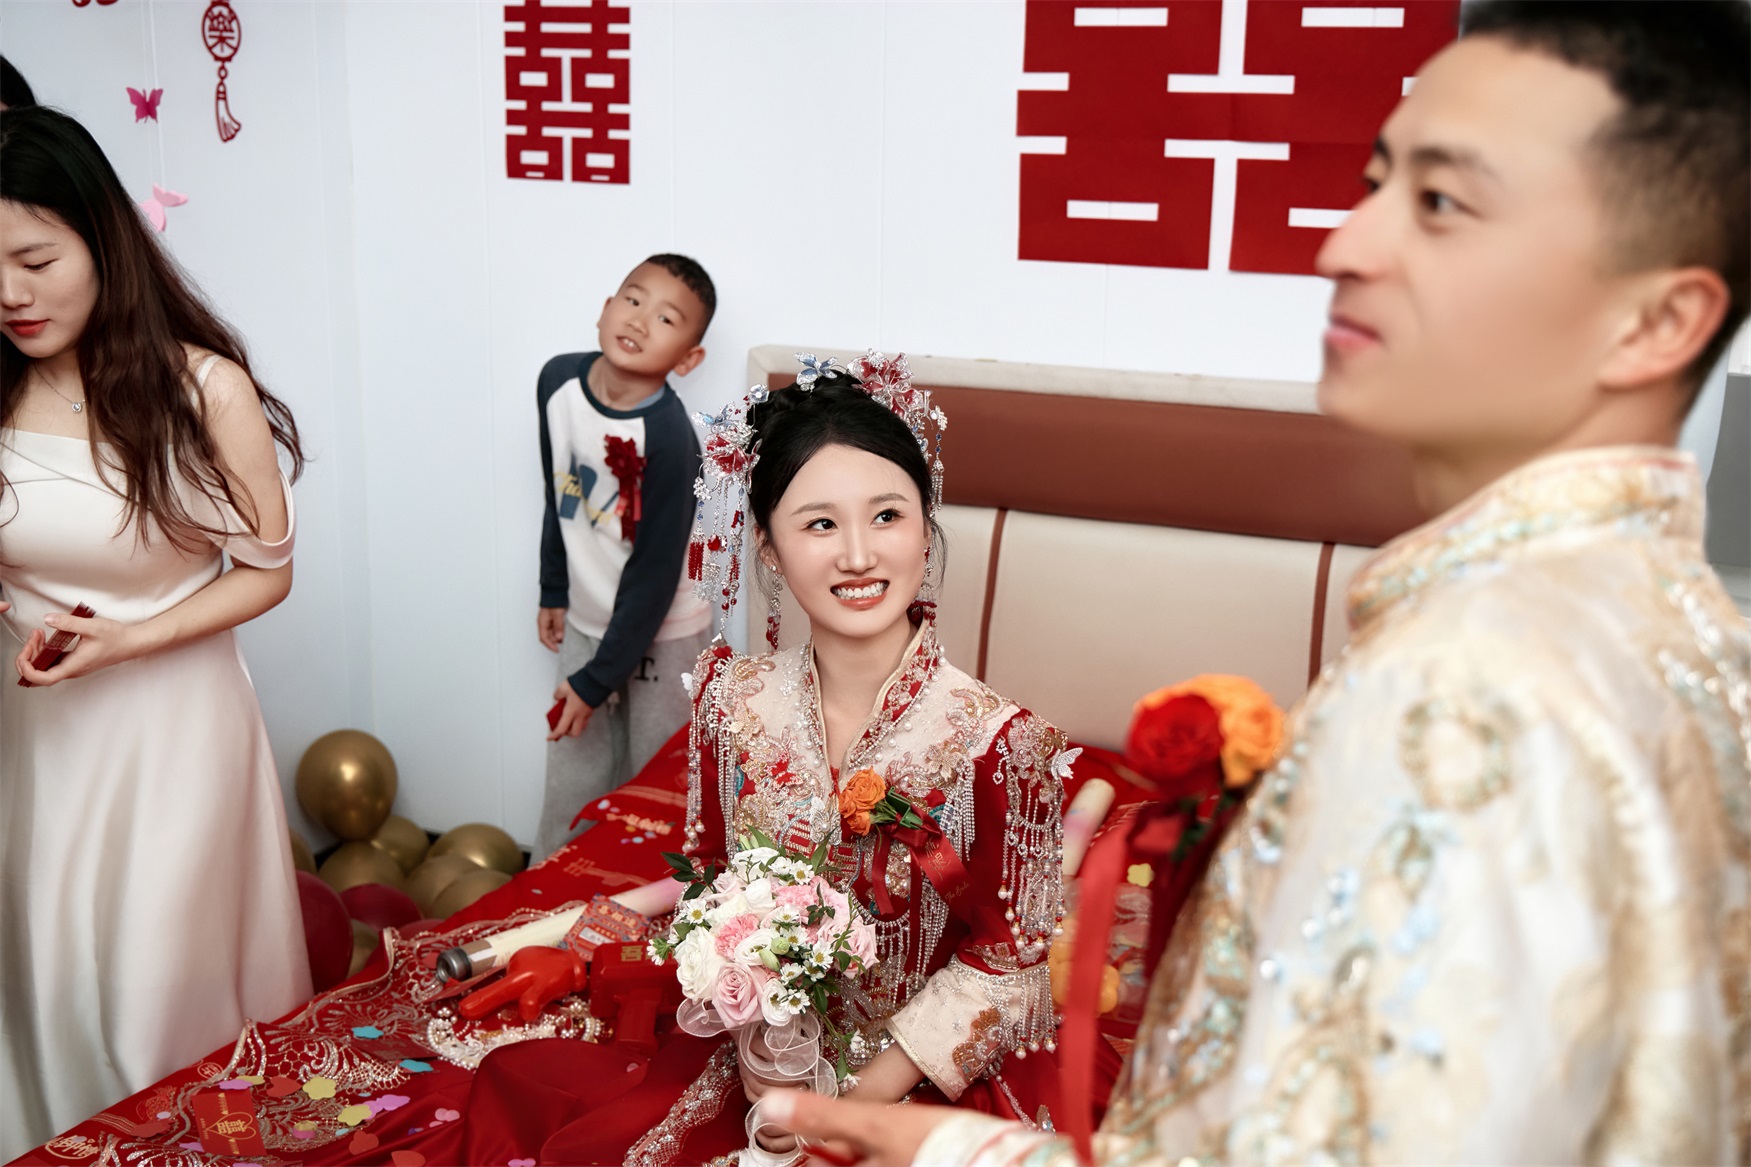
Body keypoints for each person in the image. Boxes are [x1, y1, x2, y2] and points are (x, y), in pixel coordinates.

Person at [768, 2, 1751, 1162]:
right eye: (1374, 183)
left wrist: (947, 1149)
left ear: (1655, 320)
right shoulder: (1681, 628)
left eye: (1440, 202)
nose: (1343, 245)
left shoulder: (1467, 686)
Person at [455, 354, 1082, 1166]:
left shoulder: (1005, 743)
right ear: (770, 549)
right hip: (754, 1051)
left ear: (925, 529)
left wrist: (847, 1106)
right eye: (819, 524)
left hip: (913, 1077)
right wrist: (754, 1032)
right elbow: (716, 880)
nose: (858, 554)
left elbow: (1008, 964)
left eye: (887, 515)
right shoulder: (731, 700)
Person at [0, 107, 311, 1155]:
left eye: (35, 261)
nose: (11, 295)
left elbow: (266, 574)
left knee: (155, 984)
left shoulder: (201, 389)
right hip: (36, 726)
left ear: (104, 240)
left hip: (172, 724)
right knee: (50, 962)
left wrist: (128, 641)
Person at [534, 254, 714, 858]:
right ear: (605, 309)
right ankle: (546, 901)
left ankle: (664, 911)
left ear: (688, 359)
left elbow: (654, 577)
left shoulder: (669, 439)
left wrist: (597, 680)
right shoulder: (557, 383)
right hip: (590, 617)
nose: (639, 320)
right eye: (632, 300)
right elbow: (560, 491)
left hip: (663, 630)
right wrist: (554, 589)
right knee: (572, 775)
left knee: (658, 793)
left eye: (666, 318)